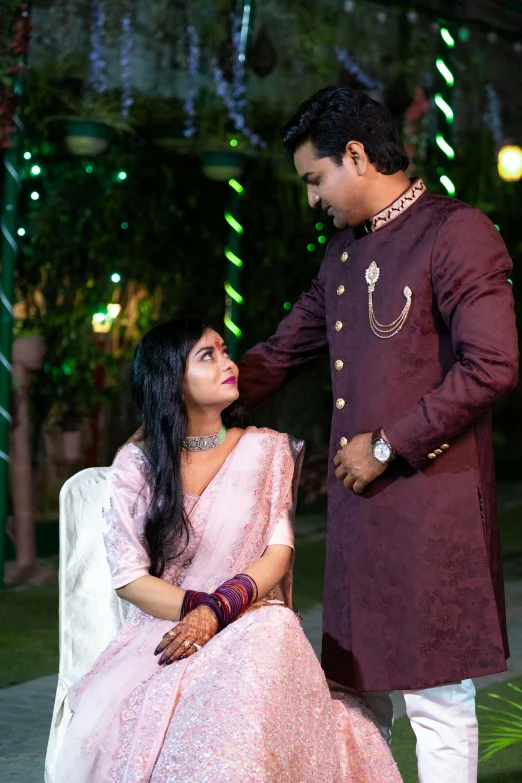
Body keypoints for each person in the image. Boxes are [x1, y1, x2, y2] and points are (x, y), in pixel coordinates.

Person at [237, 86, 519, 783]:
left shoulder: (457, 232)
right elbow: (279, 352)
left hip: (431, 513)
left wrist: (386, 444)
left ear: (355, 155)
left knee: (436, 701)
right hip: (360, 521)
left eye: (314, 179)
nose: (311, 199)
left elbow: (495, 364)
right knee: (357, 697)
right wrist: (184, 393)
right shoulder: (341, 257)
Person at [54, 318, 402, 783]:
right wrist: (198, 612)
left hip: (247, 616)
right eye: (208, 356)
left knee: (274, 628)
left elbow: (278, 553)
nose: (228, 363)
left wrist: (219, 609)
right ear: (173, 381)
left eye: (224, 350)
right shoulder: (137, 465)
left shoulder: (265, 450)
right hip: (167, 632)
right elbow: (129, 579)